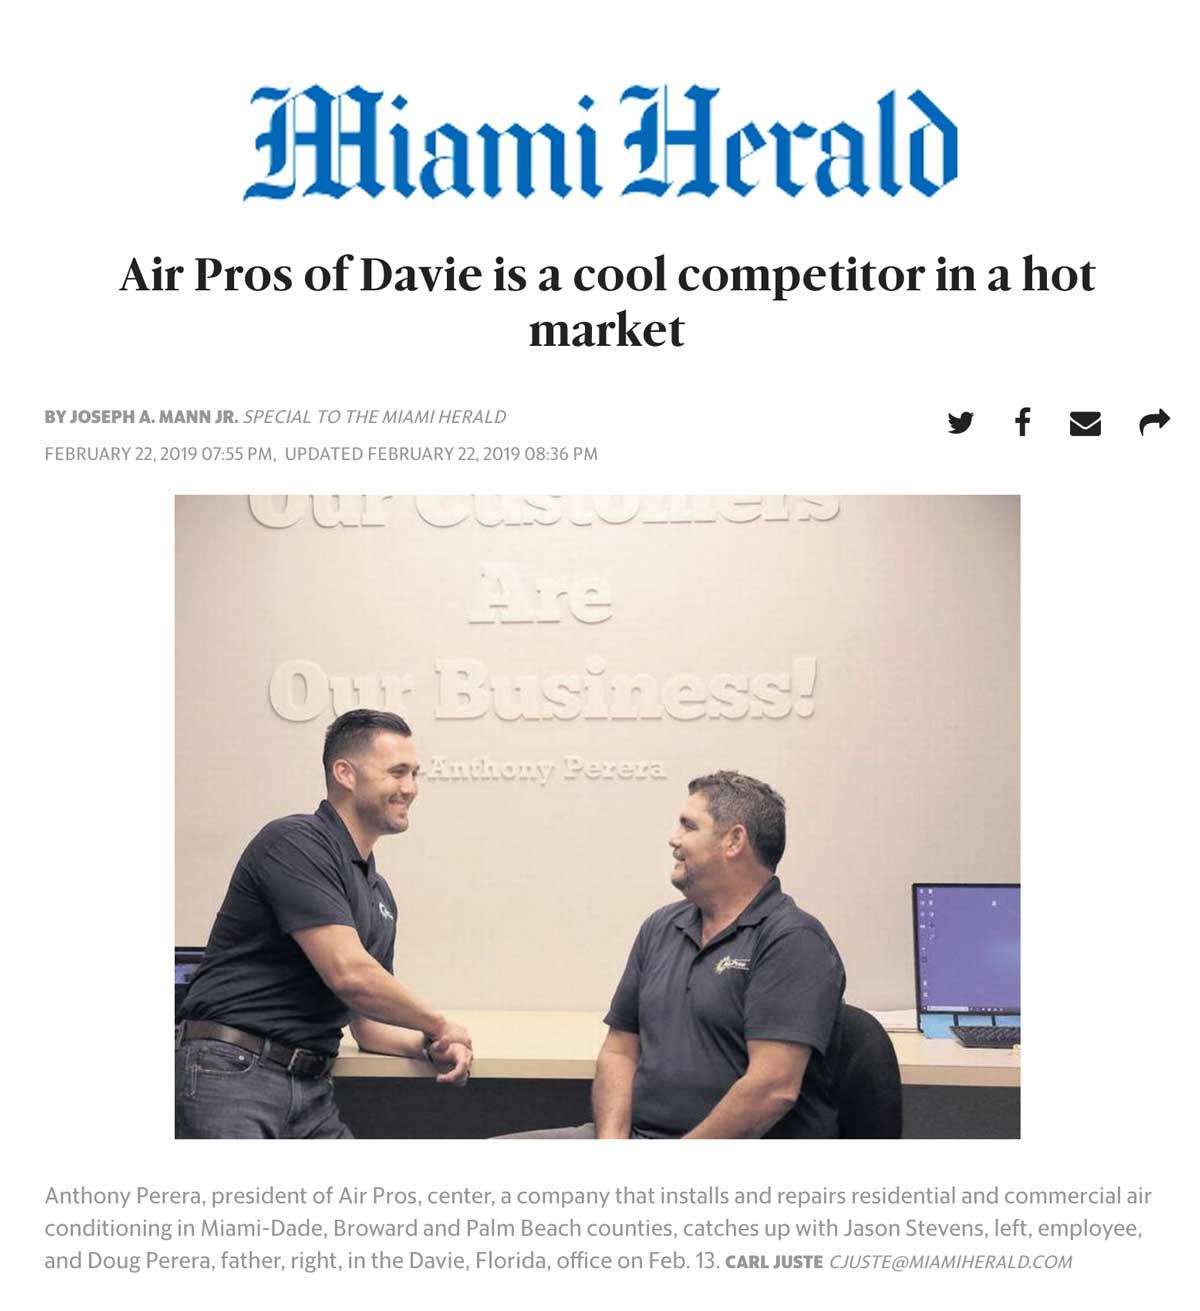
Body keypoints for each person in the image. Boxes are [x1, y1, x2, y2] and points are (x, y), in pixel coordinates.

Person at [176, 709, 472, 1138]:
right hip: (232, 1074)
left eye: (415, 774)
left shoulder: (377, 892)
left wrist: (429, 1045)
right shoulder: (295, 843)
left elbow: (366, 1023)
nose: (410, 788)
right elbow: (350, 975)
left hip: (310, 1088)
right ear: (345, 773)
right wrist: (439, 1023)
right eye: (396, 772)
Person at [509, 770, 844, 1139]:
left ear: (734, 841)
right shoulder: (661, 927)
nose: (674, 839)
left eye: (688, 826)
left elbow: (772, 1088)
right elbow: (620, 1050)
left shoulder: (792, 940)